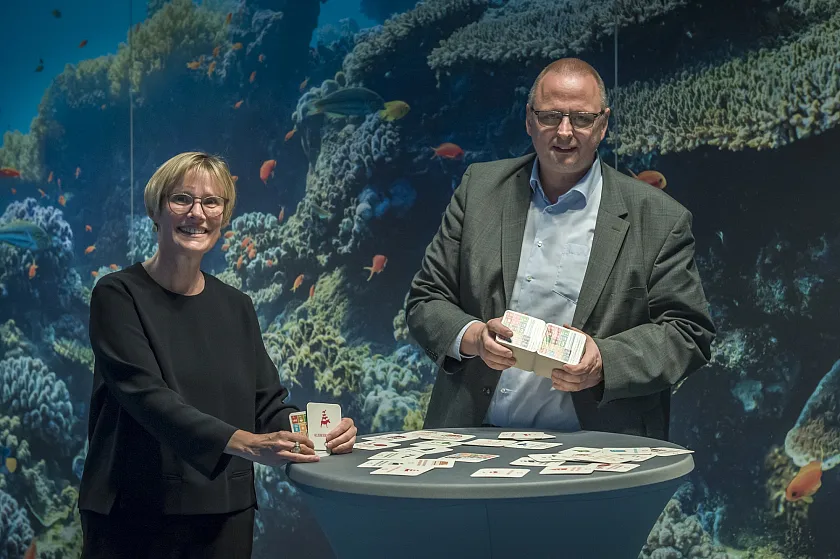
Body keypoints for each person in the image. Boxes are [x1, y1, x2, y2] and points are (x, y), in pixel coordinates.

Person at [405, 58, 715, 440]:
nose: (565, 132)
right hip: (474, 437)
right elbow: (426, 298)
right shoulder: (479, 190)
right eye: (551, 115)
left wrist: (604, 360)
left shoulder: (659, 218)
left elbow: (688, 333)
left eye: (581, 118)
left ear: (602, 124)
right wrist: (472, 336)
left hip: (596, 449)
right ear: (529, 120)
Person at [78, 152, 357, 558]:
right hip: (134, 514)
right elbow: (147, 397)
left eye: (212, 202)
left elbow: (267, 405)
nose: (197, 213)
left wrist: (320, 435)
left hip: (225, 513)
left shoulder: (237, 305)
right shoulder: (117, 295)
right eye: (181, 199)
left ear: (224, 216)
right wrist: (245, 443)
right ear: (156, 209)